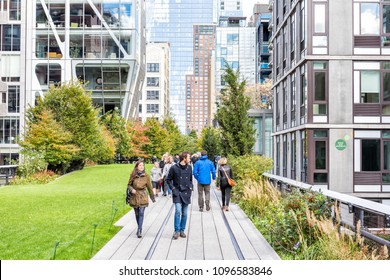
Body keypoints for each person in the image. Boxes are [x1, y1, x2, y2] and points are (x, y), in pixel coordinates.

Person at [166, 151, 193, 239]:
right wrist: (172, 188)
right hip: (177, 192)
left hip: (186, 192)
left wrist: (190, 187)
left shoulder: (189, 168)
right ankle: (176, 231)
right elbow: (168, 179)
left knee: (184, 213)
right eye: (189, 157)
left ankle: (182, 230)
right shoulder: (174, 168)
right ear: (184, 158)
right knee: (178, 211)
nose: (190, 159)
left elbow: (190, 179)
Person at [127, 160, 155, 238]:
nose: (142, 167)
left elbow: (149, 187)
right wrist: (131, 189)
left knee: (141, 212)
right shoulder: (132, 175)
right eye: (140, 165)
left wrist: (152, 197)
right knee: (137, 213)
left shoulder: (146, 176)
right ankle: (139, 226)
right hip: (134, 196)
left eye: (143, 165)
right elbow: (129, 185)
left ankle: (139, 229)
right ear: (137, 167)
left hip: (143, 196)